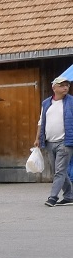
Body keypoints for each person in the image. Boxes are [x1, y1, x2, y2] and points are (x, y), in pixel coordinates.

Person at [35, 75, 73, 206]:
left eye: (67, 85)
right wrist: (37, 138)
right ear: (54, 87)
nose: (66, 87)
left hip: (65, 142)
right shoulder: (46, 103)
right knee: (58, 170)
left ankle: (53, 197)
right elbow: (41, 121)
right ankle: (69, 196)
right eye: (62, 85)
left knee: (59, 170)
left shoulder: (71, 102)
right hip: (49, 142)